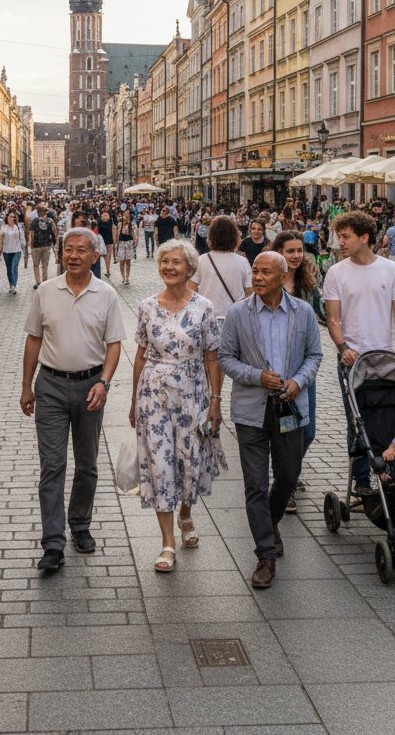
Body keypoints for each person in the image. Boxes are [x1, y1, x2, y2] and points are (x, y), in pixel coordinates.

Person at [21, 227, 125, 572]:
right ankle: (53, 543)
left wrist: (105, 383)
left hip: (90, 386)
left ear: (96, 256)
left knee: (87, 463)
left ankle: (80, 524)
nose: (74, 255)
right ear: (60, 253)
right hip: (50, 385)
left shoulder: (106, 294)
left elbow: (114, 345)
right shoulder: (46, 291)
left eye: (82, 250)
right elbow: (34, 339)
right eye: (68, 249)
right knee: (52, 466)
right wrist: (26, 385)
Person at [218, 251, 322, 589]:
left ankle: (270, 520)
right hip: (251, 410)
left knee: (289, 476)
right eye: (255, 271)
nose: (258, 277)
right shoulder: (238, 313)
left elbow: (314, 355)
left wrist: (298, 381)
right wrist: (256, 376)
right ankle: (265, 554)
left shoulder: (303, 312)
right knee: (255, 485)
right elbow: (225, 358)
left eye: (265, 272)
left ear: (282, 276)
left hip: (290, 409)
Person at [129, 239, 224, 572]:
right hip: (153, 396)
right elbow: (140, 355)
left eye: (176, 263)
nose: (169, 267)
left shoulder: (204, 307)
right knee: (160, 465)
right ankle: (167, 543)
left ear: (189, 269)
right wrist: (132, 402)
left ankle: (186, 512)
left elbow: (213, 357)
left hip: (192, 393)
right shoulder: (146, 306)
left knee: (188, 462)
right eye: (164, 262)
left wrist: (215, 400)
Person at [323, 211, 395, 500]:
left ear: (364, 238)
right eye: (339, 236)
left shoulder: (390, 270)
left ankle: (393, 472)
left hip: (386, 358)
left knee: (392, 416)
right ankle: (361, 481)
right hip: (353, 359)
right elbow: (332, 318)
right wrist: (343, 348)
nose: (340, 242)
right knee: (356, 421)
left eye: (346, 236)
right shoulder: (336, 272)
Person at [270, 230, 325, 513]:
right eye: (290, 251)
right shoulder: (268, 281)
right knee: (283, 429)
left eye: (299, 250)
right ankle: (286, 483)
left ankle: (288, 472)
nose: (295, 256)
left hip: (304, 370)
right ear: (278, 251)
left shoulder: (307, 282)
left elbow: (323, 311)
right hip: (274, 370)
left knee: (308, 431)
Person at [190, 216, 253, 320]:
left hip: (207, 316)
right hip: (234, 317)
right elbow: (249, 293)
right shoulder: (243, 262)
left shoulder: (201, 260)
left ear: (211, 235)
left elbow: (191, 291)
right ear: (235, 236)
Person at [29, 203, 57, 288]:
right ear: (45, 212)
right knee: (45, 265)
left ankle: (38, 282)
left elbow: (32, 234)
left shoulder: (34, 221)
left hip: (36, 246)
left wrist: (32, 245)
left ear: (37, 212)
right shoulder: (50, 221)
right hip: (47, 245)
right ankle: (45, 282)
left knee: (36, 265)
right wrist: (55, 244)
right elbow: (55, 232)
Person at [0, 208, 25, 294]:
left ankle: (13, 286)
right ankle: (11, 285)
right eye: (11, 216)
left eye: (14, 217)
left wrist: (25, 252)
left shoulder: (18, 227)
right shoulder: (3, 227)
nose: (12, 218)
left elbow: (22, 239)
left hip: (17, 250)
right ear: (7, 217)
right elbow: (0, 240)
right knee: (9, 269)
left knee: (14, 267)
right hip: (6, 251)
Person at [115, 208, 135, 285]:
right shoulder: (120, 222)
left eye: (128, 213)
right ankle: (123, 277)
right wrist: (116, 243)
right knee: (122, 261)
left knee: (128, 260)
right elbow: (117, 233)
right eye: (125, 213)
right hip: (121, 242)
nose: (126, 214)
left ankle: (127, 277)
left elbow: (133, 232)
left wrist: (135, 240)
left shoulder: (132, 222)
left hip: (129, 242)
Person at [96, 208, 115, 279]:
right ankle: (106, 270)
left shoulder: (105, 221)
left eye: (106, 215)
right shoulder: (106, 221)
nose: (105, 216)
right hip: (103, 240)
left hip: (106, 240)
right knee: (104, 256)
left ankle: (107, 270)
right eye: (104, 215)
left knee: (107, 256)